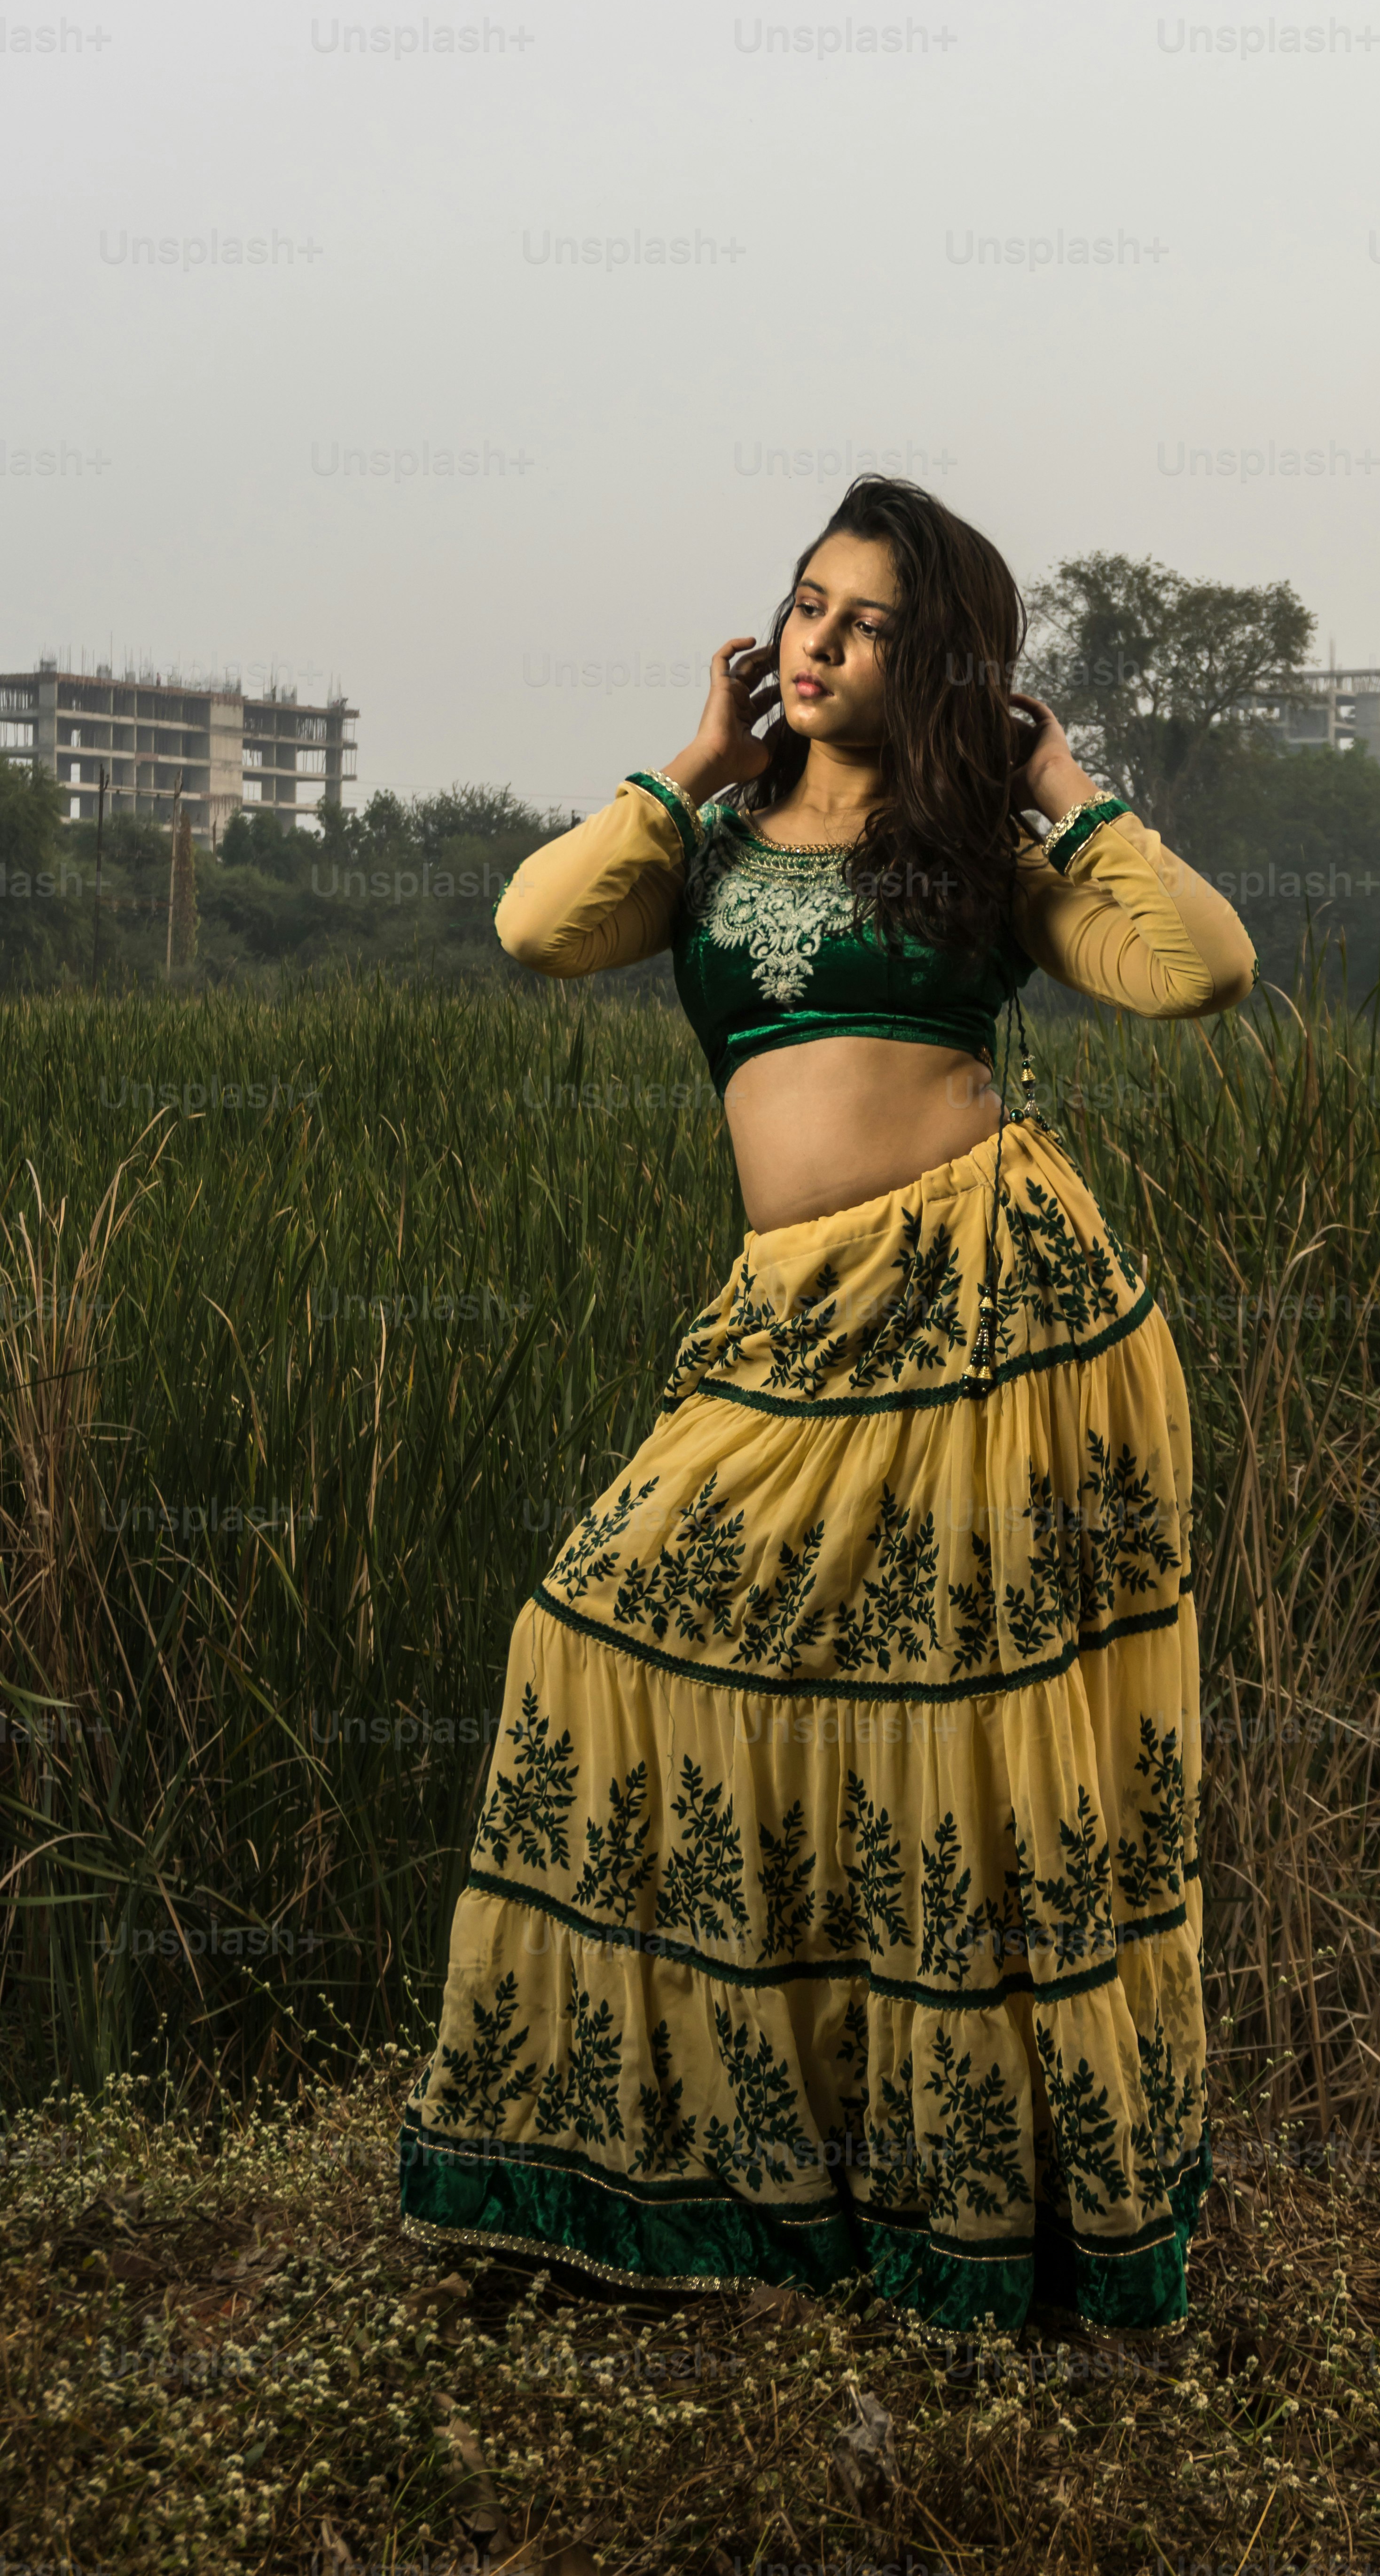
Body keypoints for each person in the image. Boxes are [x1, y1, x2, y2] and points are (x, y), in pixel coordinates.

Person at [399, 476, 1255, 2335]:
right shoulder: (705, 843)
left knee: (957, 1767)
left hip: (991, 1316)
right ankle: (725, 2158)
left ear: (935, 660)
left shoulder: (970, 849)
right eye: (804, 605)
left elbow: (1199, 972)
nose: (819, 641)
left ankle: (979, 2217)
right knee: (595, 1627)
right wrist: (689, 762)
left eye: (865, 623)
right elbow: (540, 929)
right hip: (787, 1326)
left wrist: (1057, 784)